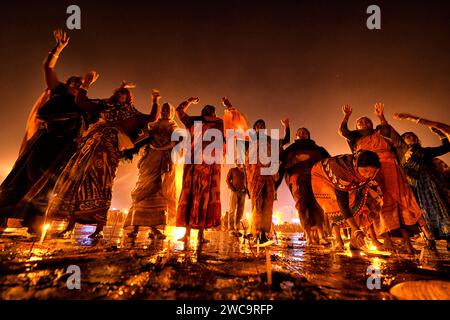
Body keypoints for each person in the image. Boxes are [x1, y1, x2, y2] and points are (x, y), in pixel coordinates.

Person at [46, 72, 159, 239]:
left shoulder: (131, 112)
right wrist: (86, 84)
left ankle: (98, 229)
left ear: (129, 97)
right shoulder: (105, 104)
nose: (121, 95)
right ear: (115, 94)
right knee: (79, 179)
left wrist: (155, 101)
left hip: (110, 151)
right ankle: (69, 226)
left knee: (104, 183)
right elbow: (81, 102)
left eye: (124, 93)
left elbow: (150, 118)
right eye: (119, 92)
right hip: (91, 145)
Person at [0, 30, 87, 235]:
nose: (76, 85)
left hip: (63, 149)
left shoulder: (82, 103)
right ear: (67, 84)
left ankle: (34, 220)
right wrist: (58, 49)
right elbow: (48, 67)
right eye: (74, 83)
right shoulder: (58, 90)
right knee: (26, 176)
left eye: (80, 84)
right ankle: (2, 214)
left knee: (49, 183)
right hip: (45, 142)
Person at [339, 103, 428, 254]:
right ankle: (386, 239)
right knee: (377, 204)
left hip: (390, 169)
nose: (364, 123)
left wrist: (381, 116)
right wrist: (346, 116)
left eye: (367, 121)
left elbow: (388, 130)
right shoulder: (356, 140)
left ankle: (407, 242)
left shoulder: (380, 132)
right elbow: (343, 131)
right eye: (360, 122)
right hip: (370, 172)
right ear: (357, 127)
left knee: (400, 202)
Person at [123, 100, 178, 240]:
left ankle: (154, 229)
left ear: (171, 112)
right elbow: (142, 139)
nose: (164, 112)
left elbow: (175, 143)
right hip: (149, 162)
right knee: (142, 191)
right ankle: (134, 227)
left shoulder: (174, 127)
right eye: (163, 109)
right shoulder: (152, 126)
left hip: (162, 163)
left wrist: (160, 148)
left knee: (158, 193)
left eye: (167, 110)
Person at [175, 98, 225, 245]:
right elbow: (179, 111)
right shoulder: (193, 122)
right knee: (190, 196)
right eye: (206, 111)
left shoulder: (219, 124)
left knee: (205, 197)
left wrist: (229, 108)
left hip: (208, 166)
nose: (208, 113)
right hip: (193, 166)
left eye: (211, 111)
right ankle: (187, 233)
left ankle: (200, 235)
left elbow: (232, 128)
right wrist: (189, 101)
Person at [311, 150, 382, 251]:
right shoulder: (342, 173)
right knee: (335, 207)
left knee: (360, 203)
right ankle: (338, 240)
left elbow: (367, 180)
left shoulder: (364, 174)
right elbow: (343, 204)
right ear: (356, 165)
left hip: (348, 179)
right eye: (365, 171)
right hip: (323, 177)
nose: (368, 175)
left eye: (372, 172)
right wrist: (357, 230)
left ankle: (354, 242)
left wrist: (356, 231)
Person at [398, 128, 450, 250]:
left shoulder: (424, 151)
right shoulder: (400, 156)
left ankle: (448, 238)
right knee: (420, 212)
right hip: (413, 186)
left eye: (413, 136)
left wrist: (441, 134)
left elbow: (446, 148)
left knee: (440, 208)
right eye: (407, 136)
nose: (411, 137)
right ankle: (429, 238)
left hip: (431, 184)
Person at [279, 127, 331, 245]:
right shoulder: (291, 149)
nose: (302, 134)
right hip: (297, 180)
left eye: (304, 132)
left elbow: (327, 161)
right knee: (302, 207)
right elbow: (283, 165)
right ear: (296, 136)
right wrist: (296, 160)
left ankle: (321, 235)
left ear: (308, 135)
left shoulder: (318, 149)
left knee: (317, 206)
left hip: (315, 180)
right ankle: (308, 236)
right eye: (299, 133)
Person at [245, 117, 290, 244]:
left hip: (269, 175)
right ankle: (257, 232)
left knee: (268, 203)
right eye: (258, 125)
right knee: (257, 203)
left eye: (262, 125)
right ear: (255, 128)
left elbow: (286, 140)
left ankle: (264, 232)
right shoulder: (249, 140)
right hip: (255, 176)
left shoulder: (271, 140)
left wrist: (286, 126)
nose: (261, 126)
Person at [225, 163, 248, 236]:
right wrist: (232, 189)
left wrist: (247, 191)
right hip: (234, 192)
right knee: (232, 210)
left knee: (240, 212)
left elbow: (247, 182)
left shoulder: (245, 171)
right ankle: (231, 229)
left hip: (243, 193)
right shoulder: (232, 170)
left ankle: (237, 228)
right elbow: (227, 180)